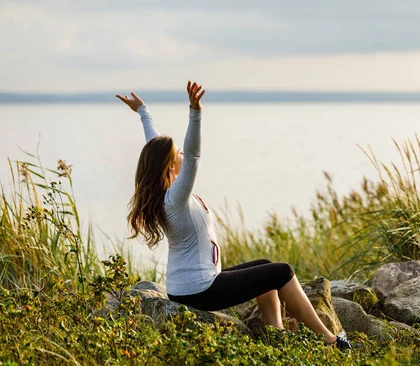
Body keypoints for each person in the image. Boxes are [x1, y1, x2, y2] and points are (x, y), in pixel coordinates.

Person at [116, 81, 351, 350]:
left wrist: (144, 112)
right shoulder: (176, 197)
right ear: (170, 166)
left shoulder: (165, 192)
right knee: (283, 271)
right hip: (201, 290)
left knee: (264, 264)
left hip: (189, 286)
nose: (181, 153)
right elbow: (192, 155)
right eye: (176, 153)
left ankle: (277, 334)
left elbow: (155, 147)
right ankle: (330, 339)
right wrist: (195, 112)